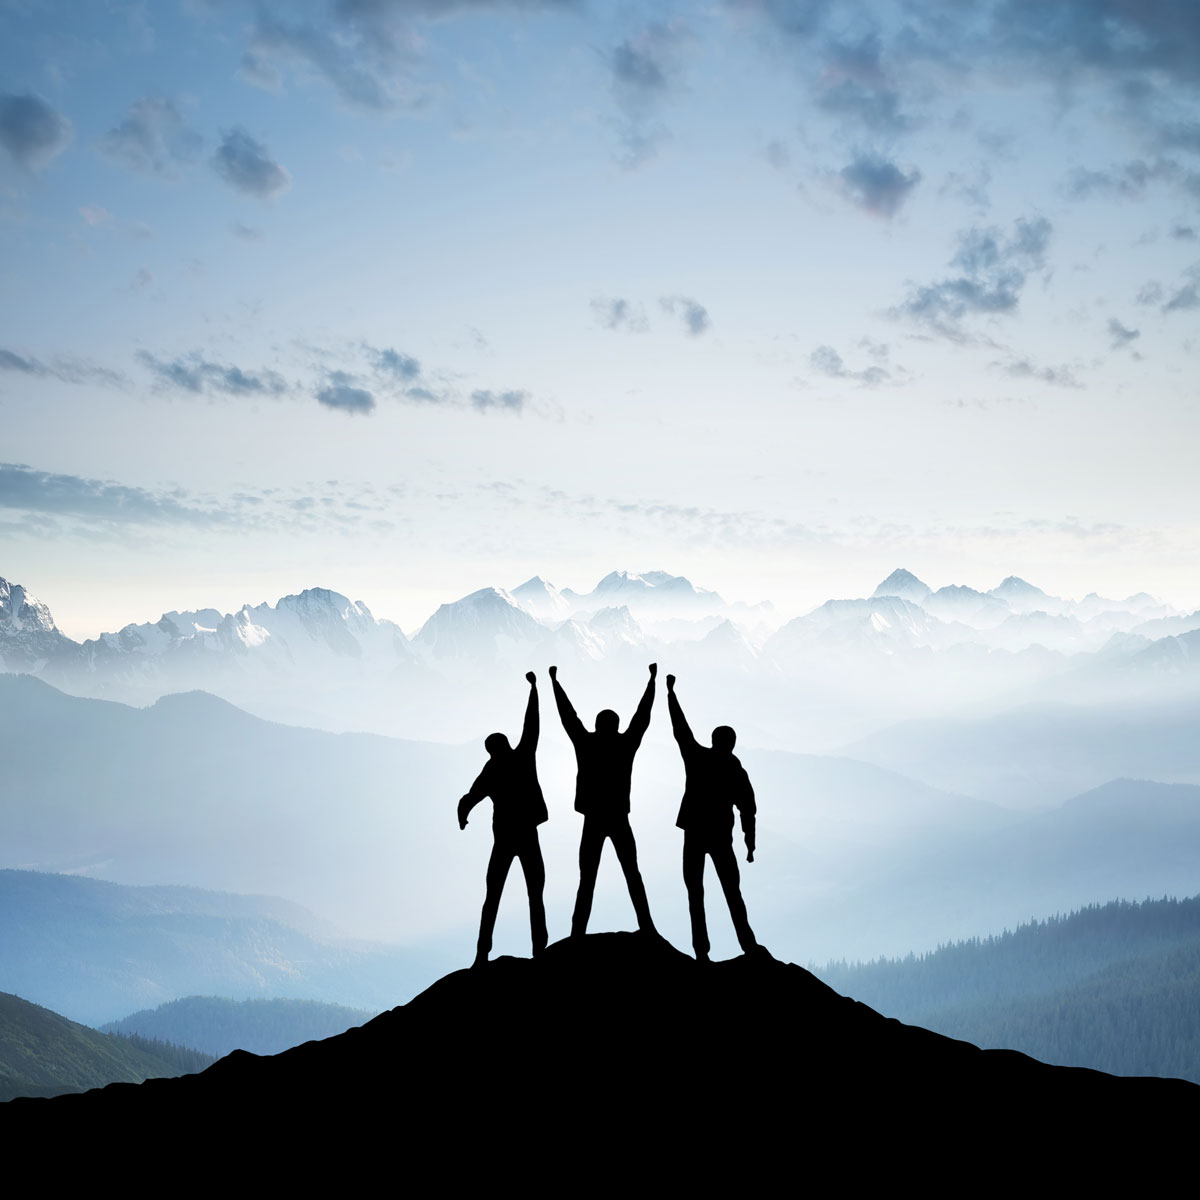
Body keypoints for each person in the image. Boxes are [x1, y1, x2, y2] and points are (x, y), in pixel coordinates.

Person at [549, 662, 658, 938]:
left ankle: (577, 933)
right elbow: (642, 717)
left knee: (587, 879)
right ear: (616, 726)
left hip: (594, 819)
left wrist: (554, 682)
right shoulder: (625, 744)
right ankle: (647, 926)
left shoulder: (586, 743)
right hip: (619, 818)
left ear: (597, 726)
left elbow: (568, 716)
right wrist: (652, 682)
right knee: (632, 874)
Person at [665, 672, 759, 962]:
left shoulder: (697, 758)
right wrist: (749, 844)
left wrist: (670, 694)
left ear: (714, 740)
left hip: (693, 833)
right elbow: (748, 810)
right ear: (732, 743)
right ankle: (748, 945)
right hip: (721, 838)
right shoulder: (735, 771)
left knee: (696, 893)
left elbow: (680, 730)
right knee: (732, 892)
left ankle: (701, 953)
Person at [457, 670, 548, 968]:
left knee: (493, 896)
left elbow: (468, 799)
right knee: (535, 893)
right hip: (527, 836)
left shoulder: (491, 769)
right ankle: (540, 952)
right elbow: (532, 724)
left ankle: (481, 954)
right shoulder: (522, 756)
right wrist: (534, 689)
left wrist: (463, 817)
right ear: (505, 744)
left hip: (504, 840)